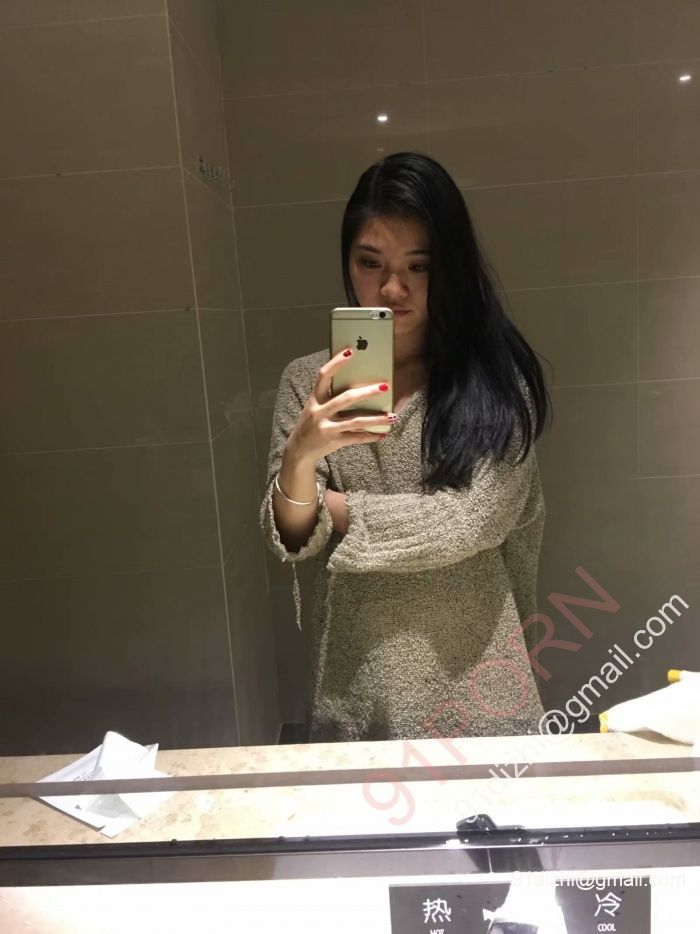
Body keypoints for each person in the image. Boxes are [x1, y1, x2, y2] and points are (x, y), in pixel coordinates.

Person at [259, 152, 552, 743]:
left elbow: (469, 521)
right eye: (371, 262)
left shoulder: (496, 384)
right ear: (348, 261)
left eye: (420, 266)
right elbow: (290, 538)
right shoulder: (307, 383)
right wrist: (299, 457)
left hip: (484, 690)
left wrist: (337, 508)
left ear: (451, 268)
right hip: (357, 683)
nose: (393, 288)